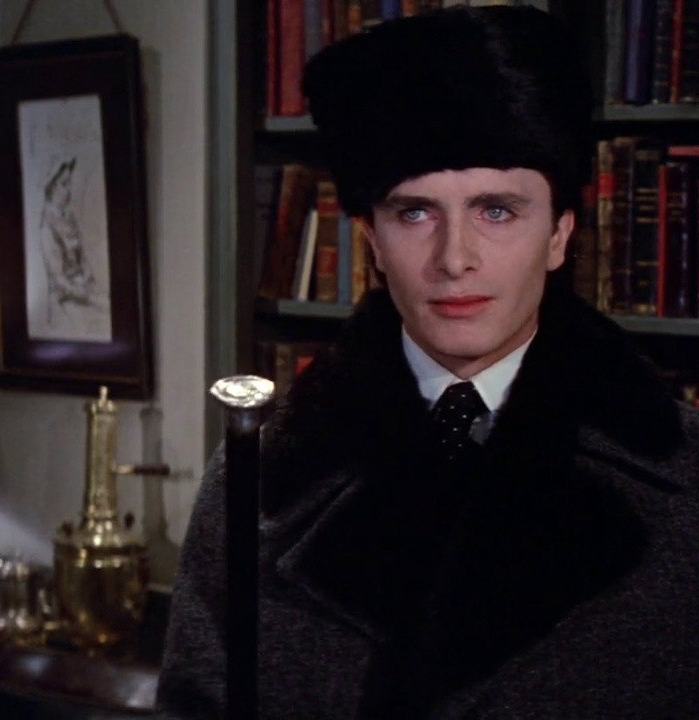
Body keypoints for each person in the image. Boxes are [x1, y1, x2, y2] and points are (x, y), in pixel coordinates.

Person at [158, 6, 699, 718]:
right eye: (415, 213)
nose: (454, 258)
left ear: (560, 235)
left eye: (496, 211)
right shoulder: (255, 481)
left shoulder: (685, 479)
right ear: (372, 242)